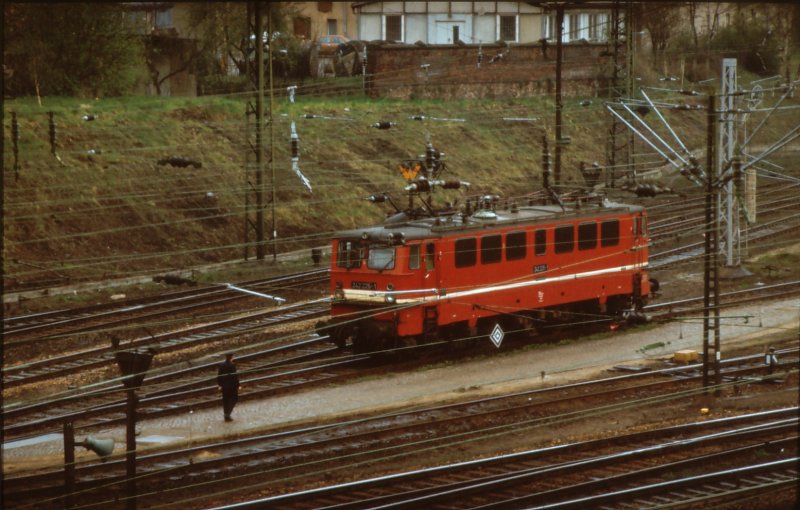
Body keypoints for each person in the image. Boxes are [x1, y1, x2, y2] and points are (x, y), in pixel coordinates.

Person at [217, 353, 240, 421]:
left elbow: (219, 376)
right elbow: (235, 377)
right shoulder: (232, 365)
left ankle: (226, 414)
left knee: (225, 400)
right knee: (234, 399)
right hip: (232, 386)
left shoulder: (221, 365)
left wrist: (220, 385)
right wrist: (238, 385)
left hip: (224, 386)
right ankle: (228, 414)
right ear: (231, 357)